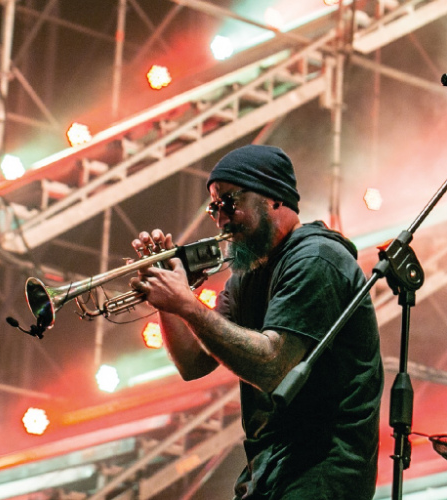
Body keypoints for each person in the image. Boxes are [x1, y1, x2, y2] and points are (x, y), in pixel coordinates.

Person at [129, 144, 383, 500]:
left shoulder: (316, 258)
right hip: (270, 470)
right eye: (214, 207)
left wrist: (187, 305)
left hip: (322, 471)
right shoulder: (246, 277)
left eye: (230, 202)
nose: (221, 218)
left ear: (274, 198)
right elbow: (192, 363)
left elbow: (272, 366)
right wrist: (167, 300)